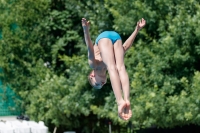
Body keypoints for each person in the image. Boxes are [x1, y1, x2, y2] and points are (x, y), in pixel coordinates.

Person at [82, 18, 146, 120]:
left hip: (102, 38)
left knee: (112, 67)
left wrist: (85, 29)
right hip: (116, 37)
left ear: (92, 75)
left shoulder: (93, 65)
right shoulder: (108, 63)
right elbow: (125, 47)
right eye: (101, 85)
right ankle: (126, 99)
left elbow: (89, 47)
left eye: (97, 84)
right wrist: (136, 30)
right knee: (120, 67)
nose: (102, 84)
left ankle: (120, 102)